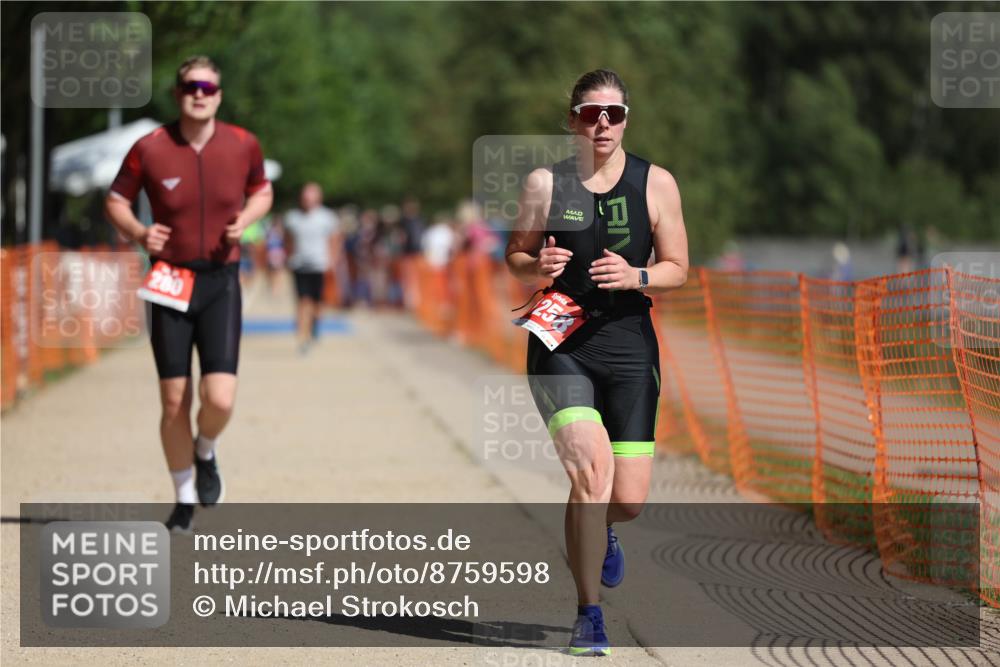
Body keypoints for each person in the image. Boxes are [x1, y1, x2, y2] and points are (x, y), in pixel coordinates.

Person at [505, 69, 688, 656]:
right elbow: (515, 252)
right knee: (590, 473)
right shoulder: (545, 183)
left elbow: (678, 267)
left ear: (627, 117)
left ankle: (603, 529)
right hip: (560, 342)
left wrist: (638, 275)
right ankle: (589, 613)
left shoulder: (656, 184)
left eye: (613, 112)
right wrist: (537, 267)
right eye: (590, 113)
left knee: (626, 498)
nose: (602, 123)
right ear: (573, 120)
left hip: (630, 344)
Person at [104, 55, 273, 532]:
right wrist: (139, 231)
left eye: (208, 87)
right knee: (174, 400)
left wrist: (250, 217)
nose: (200, 93)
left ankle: (206, 450)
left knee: (219, 398)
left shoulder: (243, 144)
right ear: (178, 94)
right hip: (170, 278)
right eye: (190, 86)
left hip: (220, 279)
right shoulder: (151, 147)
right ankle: (182, 498)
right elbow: (115, 199)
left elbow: (263, 190)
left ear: (219, 94)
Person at [284, 182, 340, 352]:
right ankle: (303, 336)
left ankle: (315, 324)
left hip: (320, 265)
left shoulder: (327, 217)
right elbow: (288, 239)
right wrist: (288, 257)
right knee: (303, 300)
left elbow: (335, 239)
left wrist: (333, 260)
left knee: (317, 302)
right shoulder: (292, 217)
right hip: (299, 264)